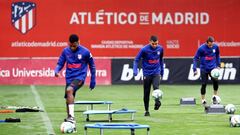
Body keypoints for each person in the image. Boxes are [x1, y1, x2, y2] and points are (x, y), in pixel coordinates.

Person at [54, 34, 96, 132]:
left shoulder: (85, 52)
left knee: (69, 90)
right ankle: (71, 124)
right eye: (71, 45)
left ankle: (71, 118)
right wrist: (56, 70)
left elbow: (92, 66)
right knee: (68, 99)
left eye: (74, 45)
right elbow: (60, 63)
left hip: (80, 77)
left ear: (78, 42)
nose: (73, 47)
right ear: (69, 43)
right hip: (69, 78)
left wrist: (93, 79)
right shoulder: (65, 51)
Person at [133, 35, 164, 116]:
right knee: (146, 92)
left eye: (156, 43)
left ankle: (157, 102)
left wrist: (162, 71)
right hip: (147, 73)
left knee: (156, 88)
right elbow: (136, 60)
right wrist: (135, 70)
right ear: (150, 42)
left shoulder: (160, 48)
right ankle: (146, 110)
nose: (155, 45)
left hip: (156, 72)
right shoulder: (144, 50)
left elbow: (161, 60)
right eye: (153, 44)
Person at [193, 36, 221, 105]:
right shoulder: (201, 48)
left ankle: (214, 96)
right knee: (204, 84)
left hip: (213, 68)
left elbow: (217, 55)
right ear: (207, 42)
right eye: (210, 44)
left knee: (216, 81)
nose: (211, 45)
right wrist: (194, 69)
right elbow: (195, 58)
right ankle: (203, 100)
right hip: (204, 68)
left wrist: (218, 65)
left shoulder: (216, 47)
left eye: (212, 44)